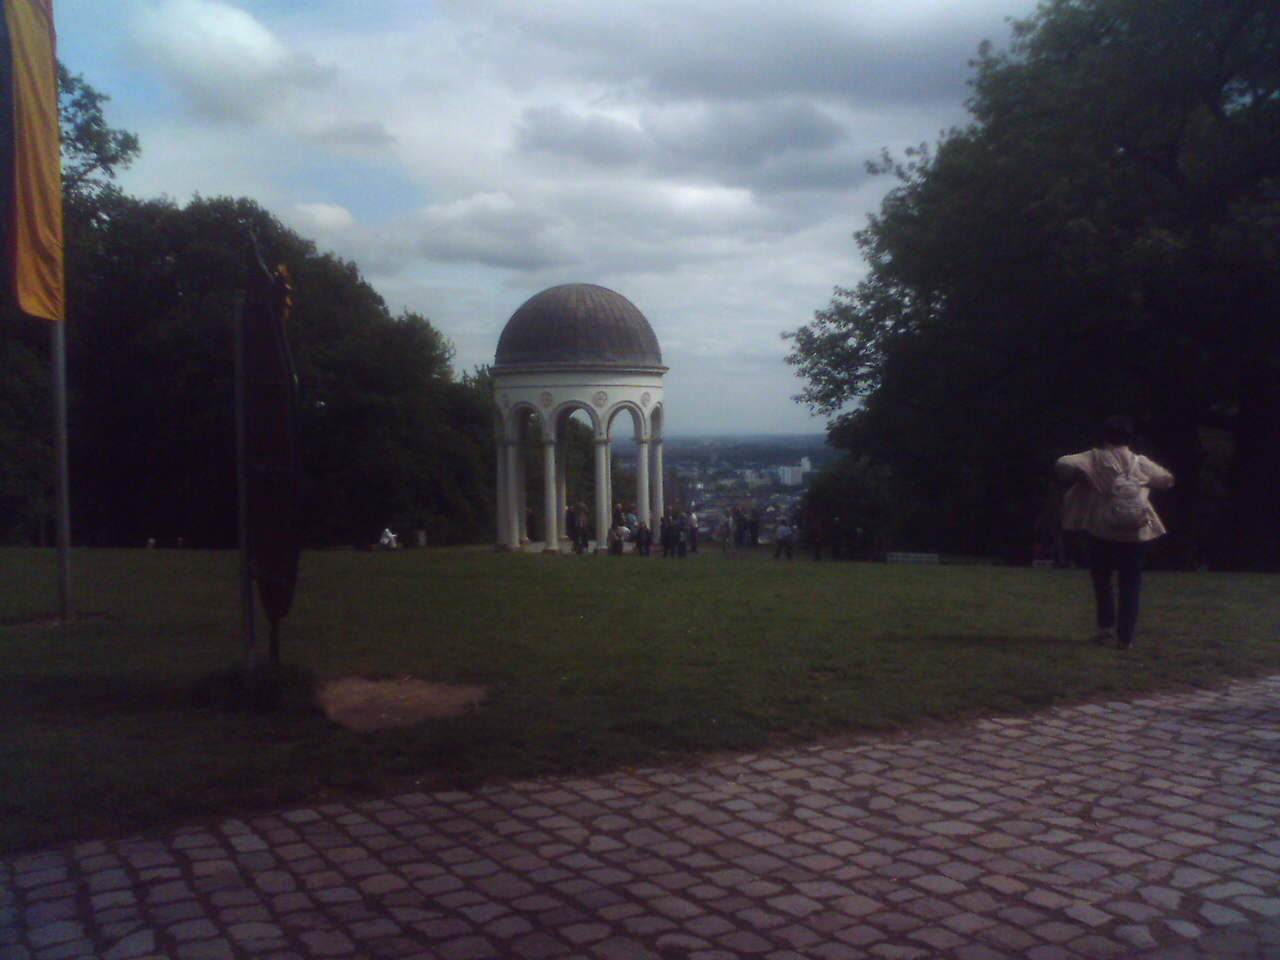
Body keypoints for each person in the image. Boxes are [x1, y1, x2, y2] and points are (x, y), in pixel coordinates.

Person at [1055, 416, 1175, 649]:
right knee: (1131, 584)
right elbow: (1166, 479)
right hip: (1136, 531)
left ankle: (1105, 628)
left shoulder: (1093, 458)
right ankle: (1125, 637)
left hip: (1101, 529)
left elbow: (1063, 464)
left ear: (1105, 436)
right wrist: (1140, 484)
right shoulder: (1139, 461)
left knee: (1102, 581)